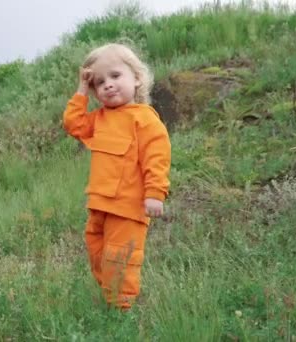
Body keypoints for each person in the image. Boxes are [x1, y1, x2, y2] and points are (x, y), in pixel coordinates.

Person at [62, 43, 171, 310]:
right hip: (99, 206)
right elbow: (72, 123)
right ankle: (111, 300)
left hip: (127, 208)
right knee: (97, 255)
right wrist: (81, 89)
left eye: (115, 76)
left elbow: (156, 158)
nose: (108, 85)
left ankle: (122, 314)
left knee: (121, 260)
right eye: (99, 82)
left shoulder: (144, 119)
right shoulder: (99, 119)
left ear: (137, 78)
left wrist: (155, 194)